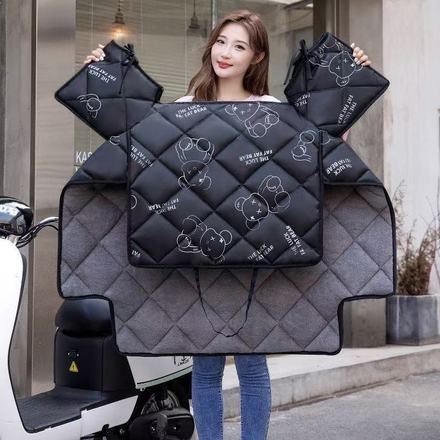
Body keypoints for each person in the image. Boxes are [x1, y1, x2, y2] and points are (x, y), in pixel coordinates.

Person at [84, 9, 372, 440]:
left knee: (252, 363)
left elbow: (318, 149)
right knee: (205, 365)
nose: (225, 52)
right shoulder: (183, 109)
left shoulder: (273, 110)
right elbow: (134, 150)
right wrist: (100, 78)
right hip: (198, 253)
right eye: (221, 41)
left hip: (255, 254)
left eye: (239, 46)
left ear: (257, 56)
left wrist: (351, 78)